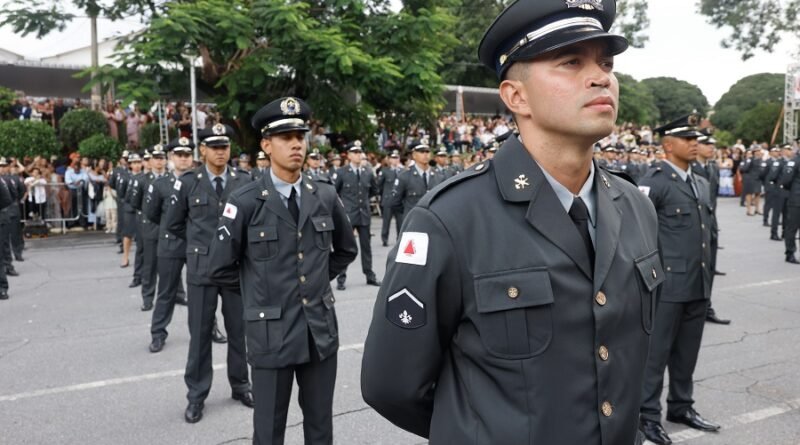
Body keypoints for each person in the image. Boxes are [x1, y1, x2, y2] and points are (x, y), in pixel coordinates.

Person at [361, 1, 662, 443]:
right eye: (571, 62)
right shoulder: (450, 218)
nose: (601, 77)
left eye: (606, 62)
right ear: (516, 96)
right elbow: (392, 386)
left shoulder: (636, 206)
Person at [208, 96, 358, 445]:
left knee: (320, 427)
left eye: (300, 137)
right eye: (285, 137)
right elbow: (220, 267)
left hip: (318, 332)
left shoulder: (323, 194)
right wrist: (262, 293)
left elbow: (345, 250)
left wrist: (317, 280)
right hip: (270, 333)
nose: (295, 144)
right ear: (266, 145)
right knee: (269, 430)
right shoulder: (245, 200)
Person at [638, 113, 719, 445]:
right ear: (668, 145)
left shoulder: (699, 181)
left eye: (696, 138)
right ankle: (647, 415)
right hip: (667, 286)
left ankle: (681, 406)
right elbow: (638, 236)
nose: (695, 143)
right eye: (688, 139)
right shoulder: (654, 181)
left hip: (698, 283)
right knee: (656, 356)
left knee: (687, 353)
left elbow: (707, 235)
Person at [165, 123, 253, 424]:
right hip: (201, 271)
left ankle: (241, 384)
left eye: (225, 147)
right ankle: (196, 395)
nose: (220, 152)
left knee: (239, 333)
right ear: (203, 150)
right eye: (214, 147)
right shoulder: (189, 181)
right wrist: (199, 248)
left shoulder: (244, 180)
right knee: (200, 335)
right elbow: (174, 224)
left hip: (235, 270)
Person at [145, 138, 193, 353]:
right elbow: (153, 214)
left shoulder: (199, 181)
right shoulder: (160, 184)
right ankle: (158, 334)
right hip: (170, 244)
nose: (183, 158)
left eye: (187, 155)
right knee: (166, 292)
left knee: (202, 293)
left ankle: (210, 329)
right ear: (171, 158)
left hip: (195, 244)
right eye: (179, 155)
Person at [692, 133, 730, 325]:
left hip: (710, 225)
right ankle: (695, 309)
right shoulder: (690, 168)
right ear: (696, 146)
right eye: (706, 144)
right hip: (693, 228)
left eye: (712, 145)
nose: (711, 148)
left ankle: (706, 307)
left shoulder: (713, 168)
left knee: (710, 268)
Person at [334, 140, 381, 290]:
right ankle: (341, 277)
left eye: (359, 152)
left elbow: (374, 190)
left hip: (364, 214)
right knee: (346, 247)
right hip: (348, 215)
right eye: (354, 152)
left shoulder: (367, 171)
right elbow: (334, 192)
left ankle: (369, 275)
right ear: (348, 155)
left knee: (366, 247)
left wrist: (365, 202)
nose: (358, 155)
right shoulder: (342, 172)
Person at [127, 145, 168, 311]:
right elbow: (136, 203)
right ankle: (148, 297)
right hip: (150, 226)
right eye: (156, 158)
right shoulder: (143, 180)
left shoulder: (171, 179)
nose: (159, 162)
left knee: (171, 265)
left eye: (161, 158)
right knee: (149, 265)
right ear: (150, 161)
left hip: (168, 228)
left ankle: (177, 294)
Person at [377, 150, 403, 247]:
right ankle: (385, 239)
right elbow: (379, 185)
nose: (395, 160)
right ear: (389, 160)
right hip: (388, 199)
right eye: (393, 158)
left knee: (400, 221)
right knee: (386, 221)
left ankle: (399, 239)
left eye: (396, 158)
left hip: (399, 200)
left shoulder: (403, 171)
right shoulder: (384, 171)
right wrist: (382, 196)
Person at [780, 147, 800, 263]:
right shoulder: (795, 161)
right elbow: (786, 180)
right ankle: (790, 253)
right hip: (796, 199)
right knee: (792, 228)